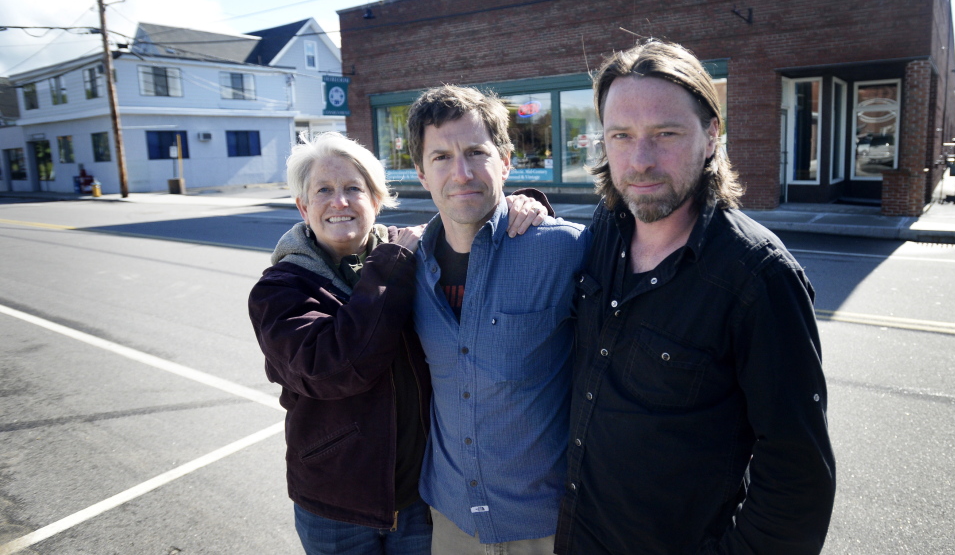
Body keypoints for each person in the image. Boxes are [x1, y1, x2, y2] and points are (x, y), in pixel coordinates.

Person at [555, 40, 836, 555]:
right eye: (621, 135)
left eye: (665, 134)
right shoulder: (602, 232)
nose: (640, 160)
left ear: (711, 136)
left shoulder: (758, 276)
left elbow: (797, 481)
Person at [249, 132, 549, 555]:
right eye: (324, 191)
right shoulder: (281, 289)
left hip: (419, 497)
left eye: (354, 188)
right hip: (337, 506)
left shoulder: (411, 253)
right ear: (303, 207)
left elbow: (468, 227)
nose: (340, 202)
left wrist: (523, 205)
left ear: (376, 200)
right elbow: (334, 369)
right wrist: (389, 266)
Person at [406, 86, 589, 554]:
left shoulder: (563, 250)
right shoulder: (404, 265)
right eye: (441, 157)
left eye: (476, 152)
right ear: (421, 173)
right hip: (450, 521)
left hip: (544, 525)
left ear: (506, 161)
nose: (461, 172)